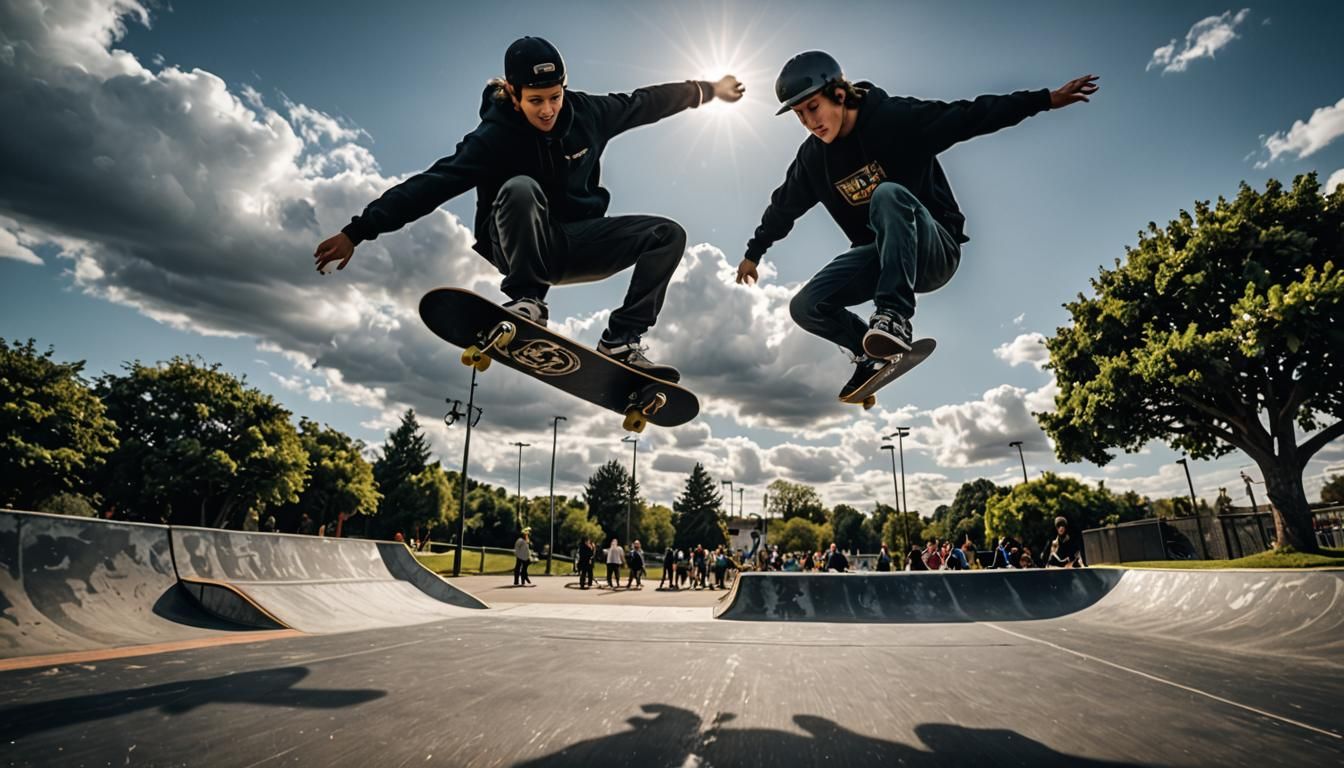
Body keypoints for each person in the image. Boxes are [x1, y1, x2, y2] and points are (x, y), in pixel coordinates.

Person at [315, 37, 745, 382]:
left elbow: (646, 102)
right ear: (513, 94)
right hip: (516, 244)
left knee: (666, 235)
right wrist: (358, 231)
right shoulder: (493, 137)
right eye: (535, 100)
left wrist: (707, 90)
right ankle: (527, 300)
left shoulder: (589, 113)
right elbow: (432, 184)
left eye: (554, 97)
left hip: (574, 243)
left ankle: (620, 341)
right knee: (520, 187)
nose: (548, 110)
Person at [737, 51, 1098, 400]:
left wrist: (1045, 100)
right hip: (882, 258)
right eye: (799, 115)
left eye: (813, 108)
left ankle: (894, 316)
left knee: (888, 194)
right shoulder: (813, 159)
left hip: (935, 249)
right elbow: (783, 206)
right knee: (806, 306)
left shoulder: (894, 118)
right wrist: (754, 253)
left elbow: (969, 115)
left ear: (839, 94)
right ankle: (872, 356)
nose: (810, 123)